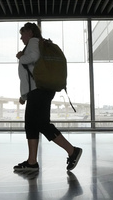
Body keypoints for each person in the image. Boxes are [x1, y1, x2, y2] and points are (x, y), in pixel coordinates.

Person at [14, 22, 82, 172]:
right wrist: (24, 96)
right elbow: (30, 74)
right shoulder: (40, 43)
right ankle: (32, 162)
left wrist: (21, 56)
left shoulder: (33, 42)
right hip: (40, 90)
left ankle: (72, 151)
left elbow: (33, 58)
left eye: (22, 34)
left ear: (30, 32)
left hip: (39, 91)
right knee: (32, 124)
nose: (21, 38)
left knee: (41, 124)